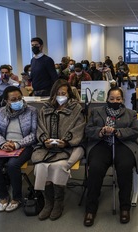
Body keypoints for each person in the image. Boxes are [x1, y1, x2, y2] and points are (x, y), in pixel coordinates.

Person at [84, 87, 138, 227]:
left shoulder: (131, 113)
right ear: (107, 99)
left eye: (118, 99)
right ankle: (91, 209)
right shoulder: (96, 112)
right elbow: (88, 130)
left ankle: (125, 207)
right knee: (96, 168)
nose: (115, 101)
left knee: (125, 167)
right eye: (112, 99)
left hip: (123, 144)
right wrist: (100, 131)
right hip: (101, 144)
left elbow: (135, 132)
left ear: (122, 100)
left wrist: (117, 132)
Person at [32, 79, 86, 221]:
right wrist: (45, 139)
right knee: (40, 165)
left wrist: (67, 141)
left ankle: (58, 203)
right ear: (53, 94)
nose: (61, 95)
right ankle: (48, 202)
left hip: (71, 146)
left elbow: (79, 128)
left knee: (59, 166)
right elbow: (40, 127)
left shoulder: (76, 109)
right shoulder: (45, 108)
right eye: (58, 93)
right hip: (47, 147)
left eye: (64, 93)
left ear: (69, 94)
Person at [0, 86, 37, 212]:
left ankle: (17, 198)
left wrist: (16, 145)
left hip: (24, 145)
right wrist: (3, 144)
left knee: (12, 165)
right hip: (5, 145)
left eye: (19, 98)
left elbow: (34, 134)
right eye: (13, 99)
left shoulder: (31, 111)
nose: (17, 101)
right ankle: (3, 196)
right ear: (6, 101)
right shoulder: (1, 111)